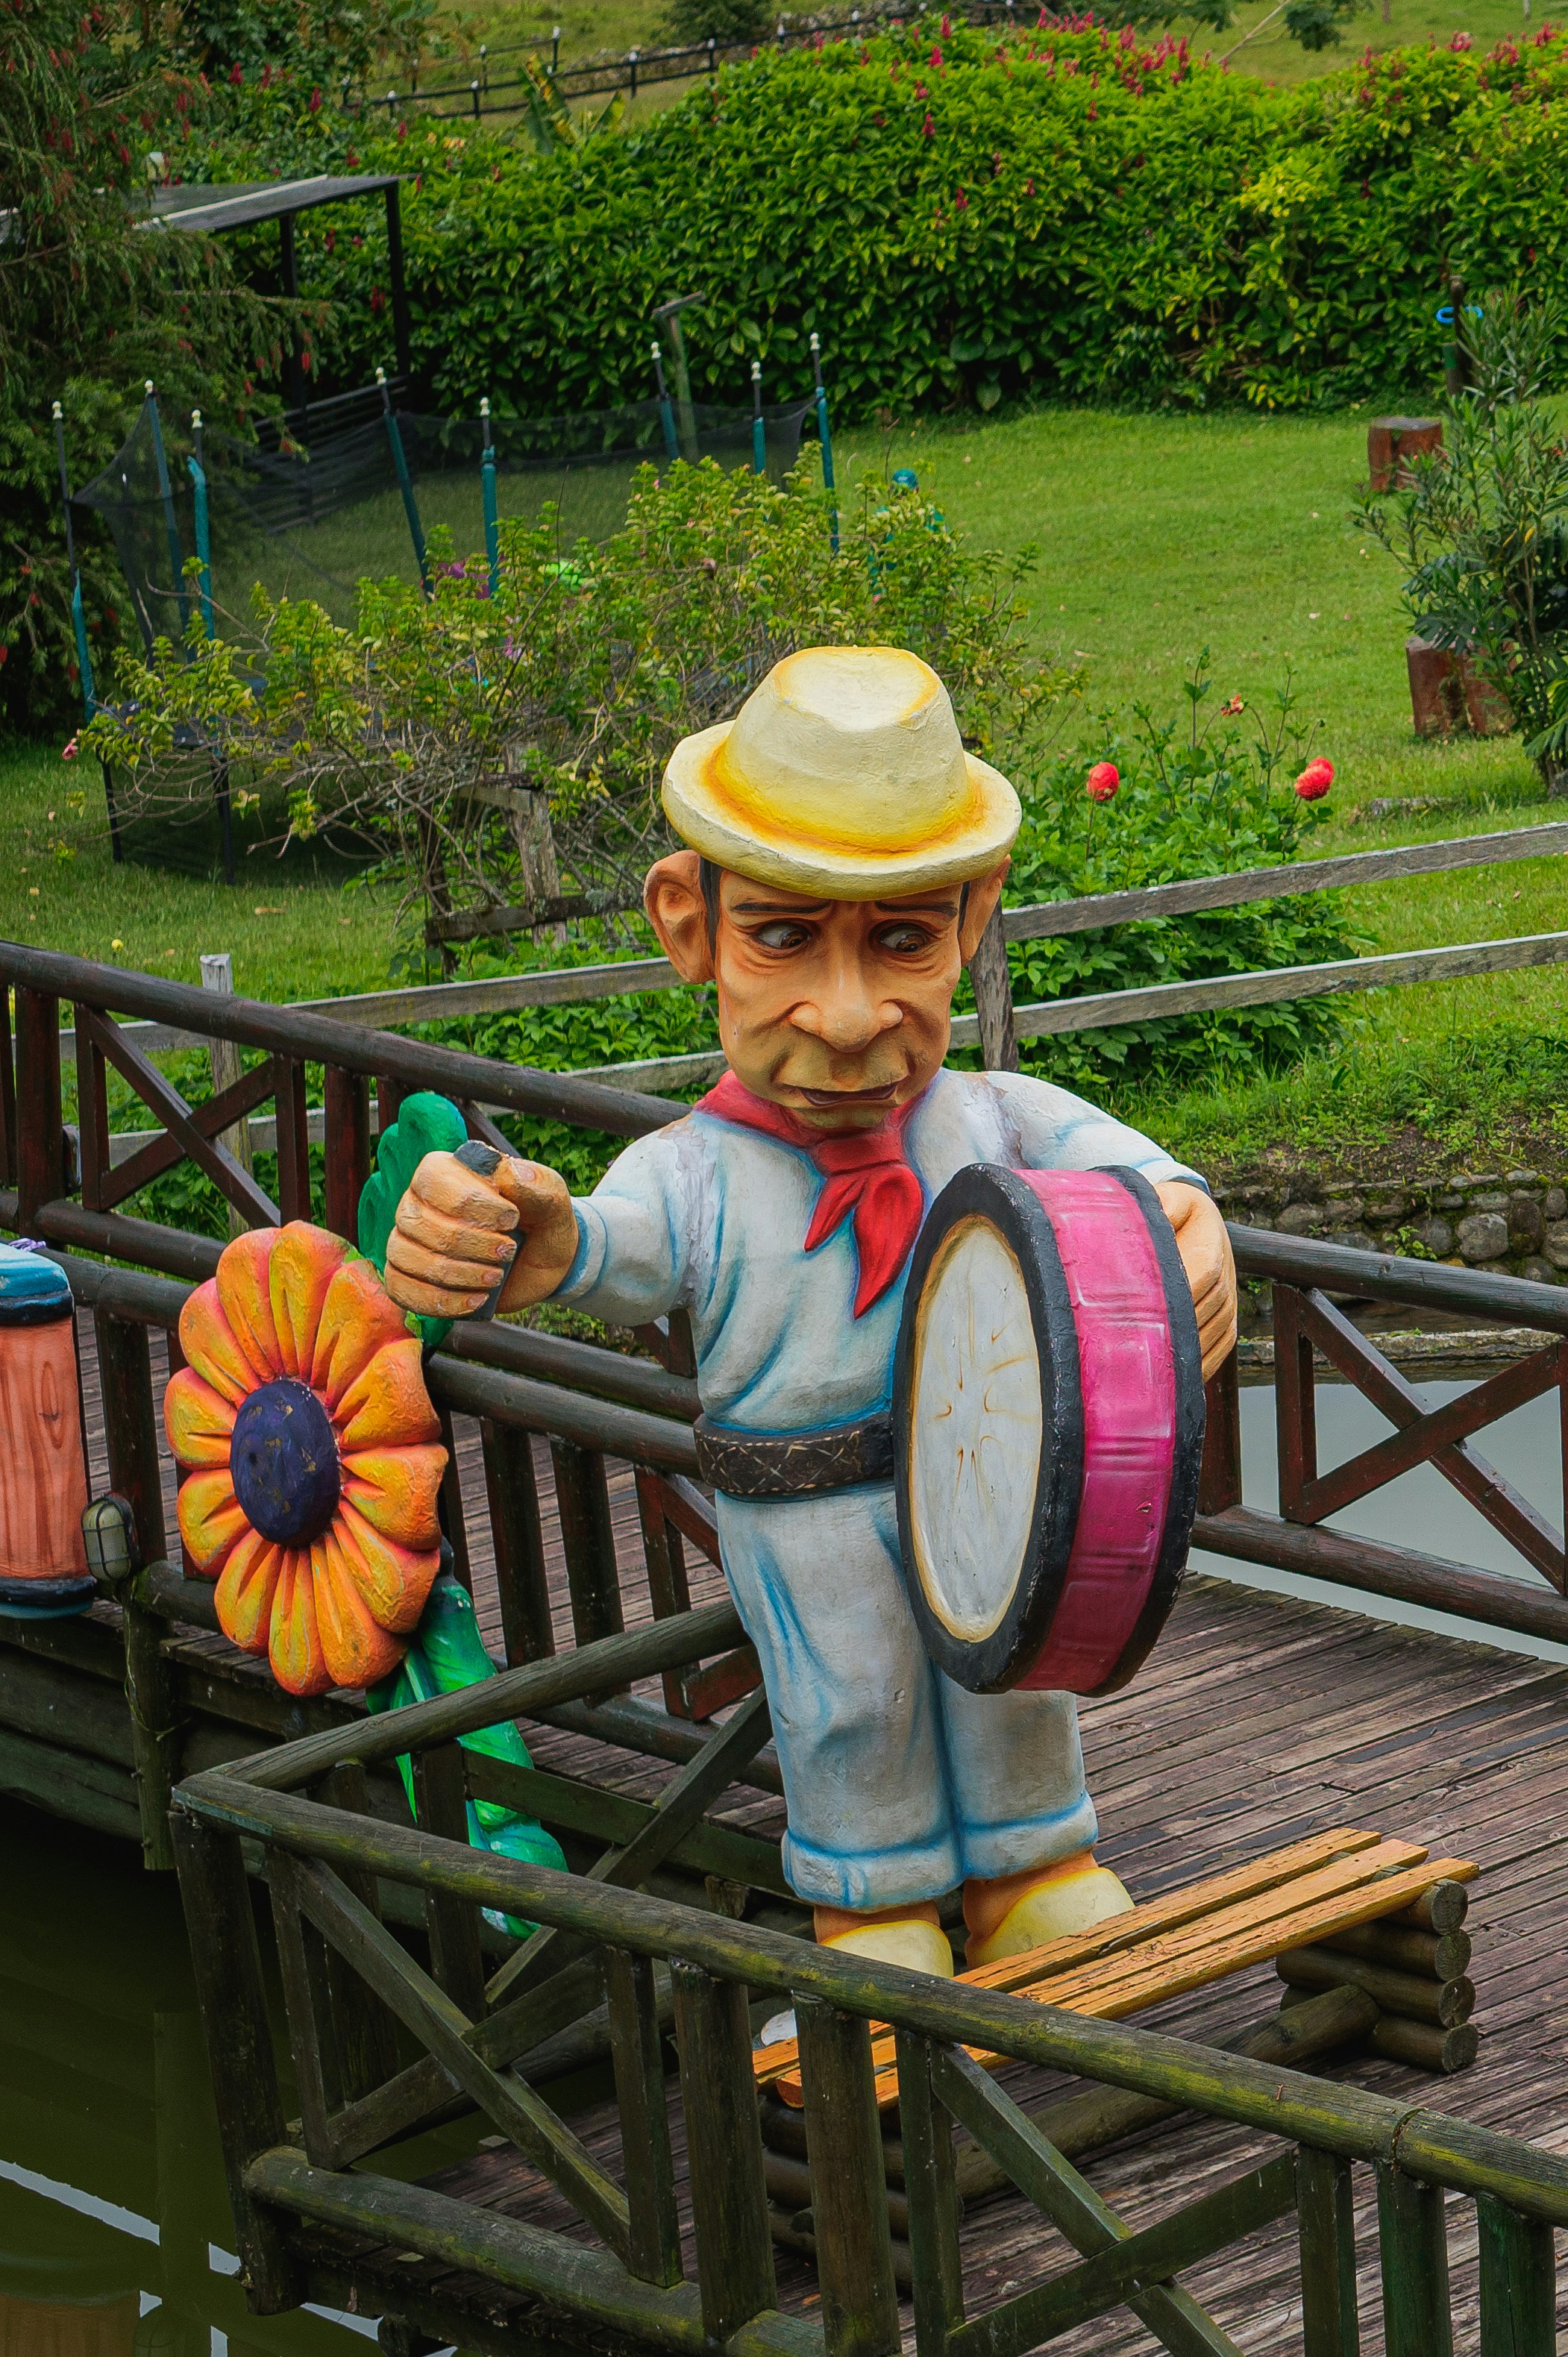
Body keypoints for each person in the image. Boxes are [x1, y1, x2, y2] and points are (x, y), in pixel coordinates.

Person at [377, 647, 1239, 1977]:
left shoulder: (988, 1117)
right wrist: (542, 1234)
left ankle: (1032, 1866)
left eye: (903, 939)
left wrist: (1185, 1219)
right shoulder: (697, 1169)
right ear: (689, 924)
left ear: (973, 917)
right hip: (806, 1505)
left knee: (1013, 1683)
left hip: (985, 1475)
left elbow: (1130, 1172)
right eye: (781, 937)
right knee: (852, 1701)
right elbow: (617, 1248)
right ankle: (875, 1905)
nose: (846, 1018)